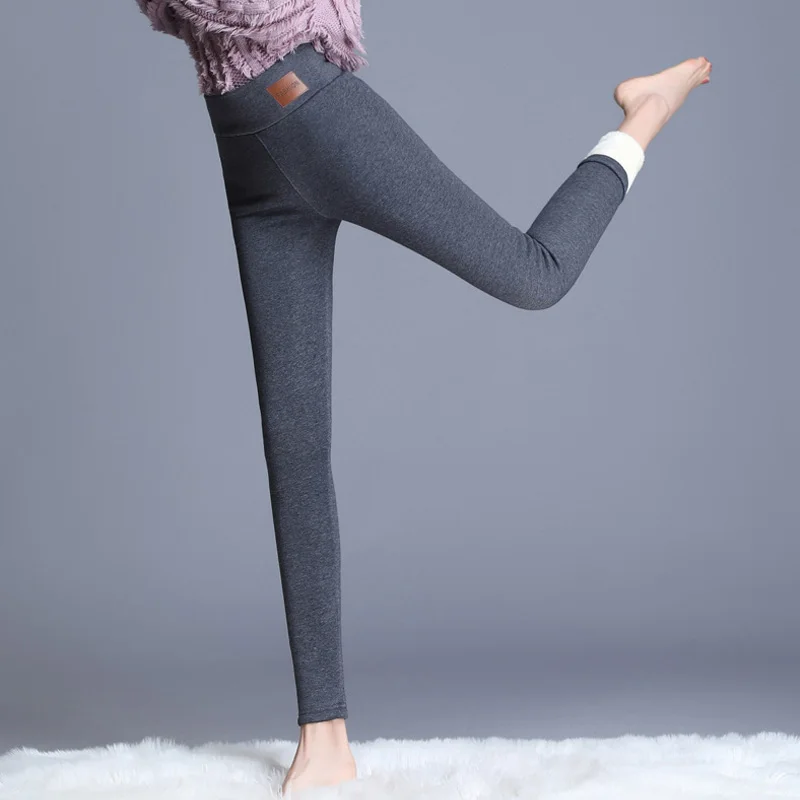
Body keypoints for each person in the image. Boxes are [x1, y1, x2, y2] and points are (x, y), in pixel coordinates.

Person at [135, 1, 712, 795]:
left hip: (308, 111)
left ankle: (643, 115)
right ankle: (323, 738)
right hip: (245, 136)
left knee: (532, 274)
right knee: (294, 447)